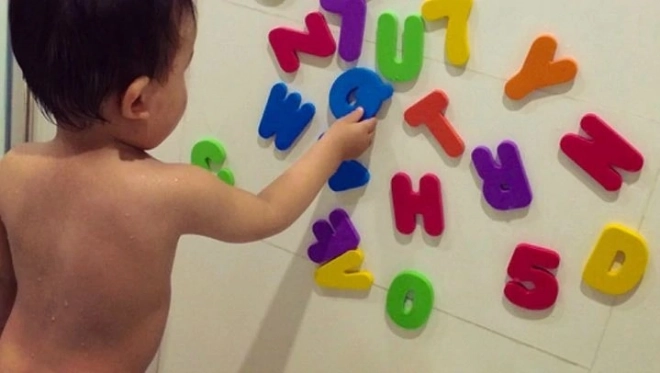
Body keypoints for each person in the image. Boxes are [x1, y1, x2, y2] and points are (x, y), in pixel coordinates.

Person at [0, 1, 378, 371]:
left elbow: (4, 286)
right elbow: (269, 211)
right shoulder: (168, 193)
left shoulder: (13, 170)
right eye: (184, 68)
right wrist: (334, 147)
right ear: (138, 100)